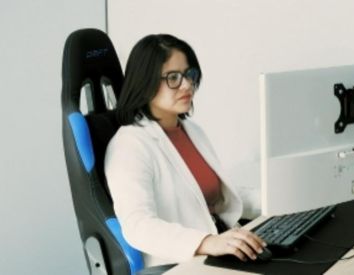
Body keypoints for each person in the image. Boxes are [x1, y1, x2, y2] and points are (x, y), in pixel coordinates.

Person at [104, 34, 266, 268]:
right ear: (145, 82)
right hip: (180, 263)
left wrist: (280, 197)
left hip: (219, 249)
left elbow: (214, 196)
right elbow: (138, 225)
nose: (187, 85)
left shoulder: (191, 130)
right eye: (173, 78)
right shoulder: (129, 146)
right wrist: (207, 242)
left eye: (189, 75)